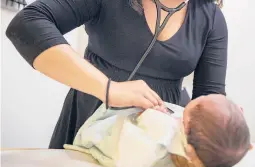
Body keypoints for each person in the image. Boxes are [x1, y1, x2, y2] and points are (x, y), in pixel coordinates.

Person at [6, 0, 228, 165]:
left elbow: (210, 96)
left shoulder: (211, 18)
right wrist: (108, 88)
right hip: (92, 118)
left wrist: (222, 122)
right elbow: (27, 24)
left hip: (161, 139)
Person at [65, 94, 251, 167]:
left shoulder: (164, 130)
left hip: (119, 145)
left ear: (185, 127)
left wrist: (149, 115)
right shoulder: (208, 152)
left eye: (202, 99)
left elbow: (137, 131)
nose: (203, 95)